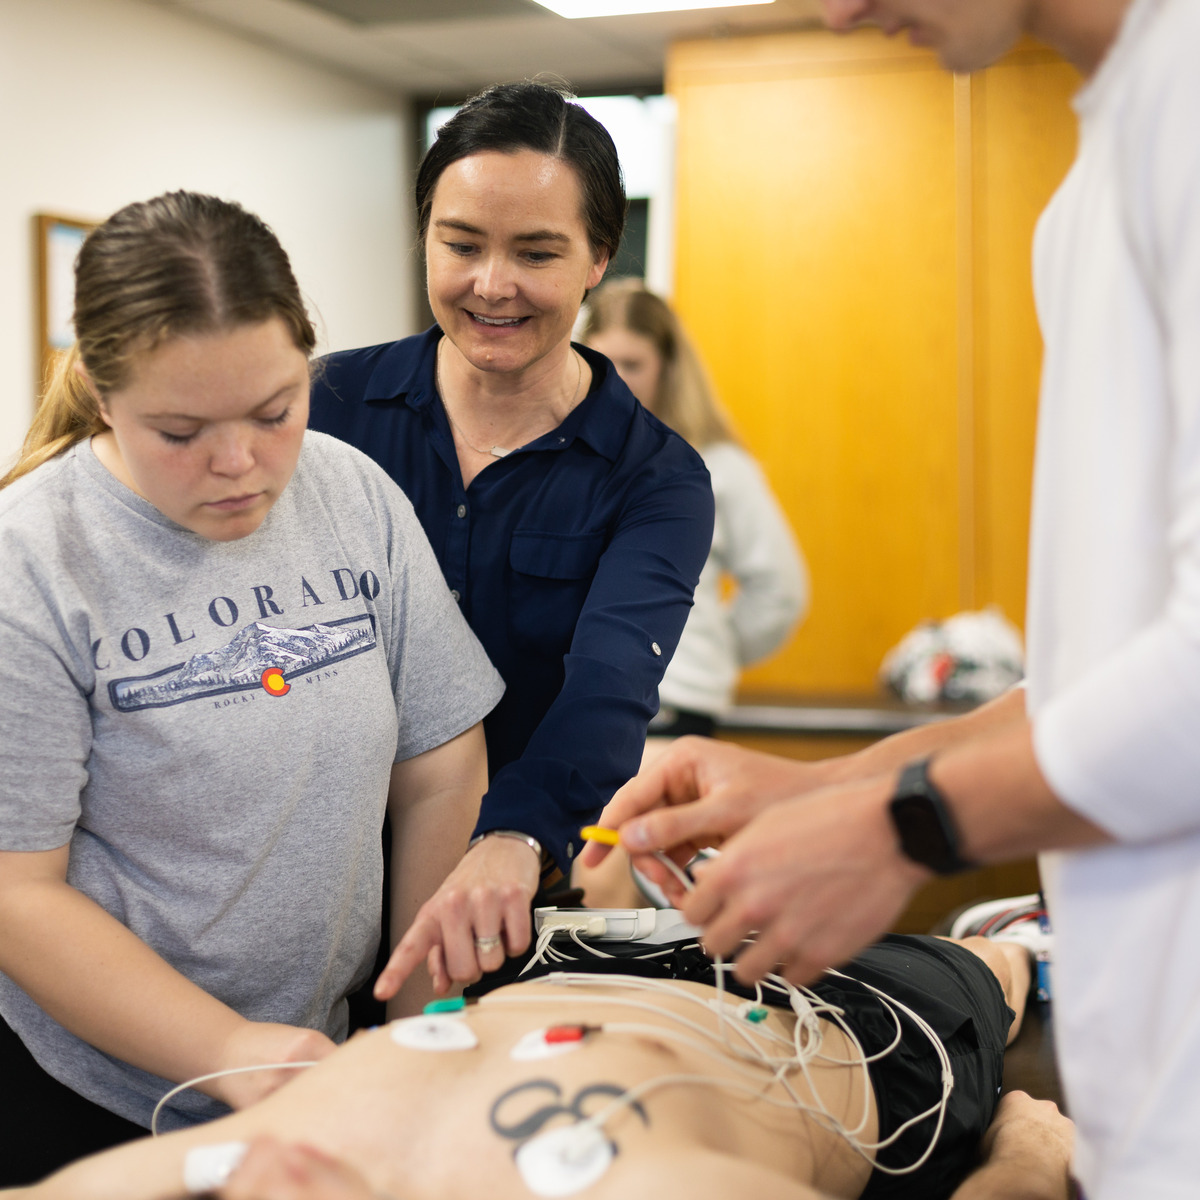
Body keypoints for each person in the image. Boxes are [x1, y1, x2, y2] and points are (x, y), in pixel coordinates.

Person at [584, 1, 1200, 1196]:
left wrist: (906, 826)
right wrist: (831, 787)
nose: (837, 10)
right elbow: (1091, 690)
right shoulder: (1093, 188)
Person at [0, 191, 504, 1184]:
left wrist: (413, 1008)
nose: (240, 467)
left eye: (275, 412)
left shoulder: (351, 491)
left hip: (320, 1051)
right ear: (102, 392)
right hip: (89, 1094)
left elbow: (440, 764)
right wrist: (230, 1050)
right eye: (180, 431)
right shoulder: (31, 563)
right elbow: (18, 895)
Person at [308, 81, 714, 1000]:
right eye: (460, 245)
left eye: (536, 252)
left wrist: (513, 839)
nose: (492, 285)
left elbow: (607, 691)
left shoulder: (655, 478)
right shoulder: (322, 408)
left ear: (598, 258)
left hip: (497, 893)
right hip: (295, 887)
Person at [1, 928, 1077, 1200]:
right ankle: (1018, 947)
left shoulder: (137, 1184)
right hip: (845, 1028)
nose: (264, 1175)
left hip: (547, 965)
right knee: (985, 964)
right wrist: (1024, 1166)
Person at [581, 280, 808, 741]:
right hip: (576, 707)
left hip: (672, 712)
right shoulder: (566, 457)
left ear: (667, 368)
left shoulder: (719, 466)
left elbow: (780, 592)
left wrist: (708, 648)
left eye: (633, 364)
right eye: (603, 362)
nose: (616, 380)